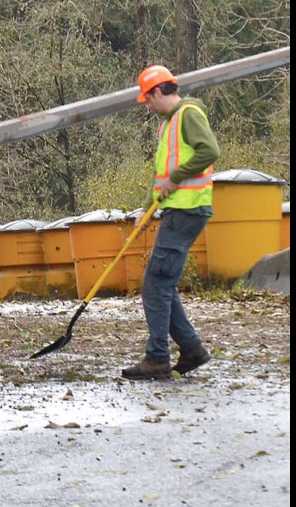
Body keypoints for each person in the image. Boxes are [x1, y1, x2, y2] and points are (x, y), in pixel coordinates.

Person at [122, 64, 219, 381]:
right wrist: (147, 208)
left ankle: (157, 359)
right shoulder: (169, 123)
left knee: (154, 286)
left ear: (158, 91)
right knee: (162, 285)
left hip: (187, 210)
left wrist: (176, 179)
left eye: (147, 99)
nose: (147, 105)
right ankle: (191, 349)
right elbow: (162, 176)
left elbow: (209, 150)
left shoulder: (188, 115)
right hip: (178, 210)